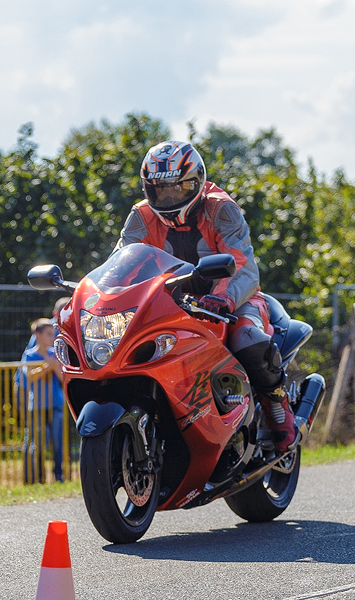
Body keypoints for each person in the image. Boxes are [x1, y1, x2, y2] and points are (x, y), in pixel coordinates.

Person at [117, 140, 296, 452]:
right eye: (160, 190)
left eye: (179, 187)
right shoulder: (141, 215)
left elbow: (243, 264)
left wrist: (223, 299)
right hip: (170, 304)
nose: (169, 197)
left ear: (197, 181)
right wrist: (101, 296)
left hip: (232, 300)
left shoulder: (221, 209)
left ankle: (277, 407)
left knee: (247, 338)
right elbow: (120, 262)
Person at [17, 318, 65, 484]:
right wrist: (47, 366)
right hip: (37, 405)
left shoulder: (55, 353)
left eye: (53, 334)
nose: (52, 337)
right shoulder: (29, 355)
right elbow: (29, 376)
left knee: (57, 441)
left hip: (56, 403)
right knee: (37, 442)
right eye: (49, 334)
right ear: (38, 335)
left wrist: (53, 366)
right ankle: (37, 477)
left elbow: (62, 378)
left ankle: (59, 476)